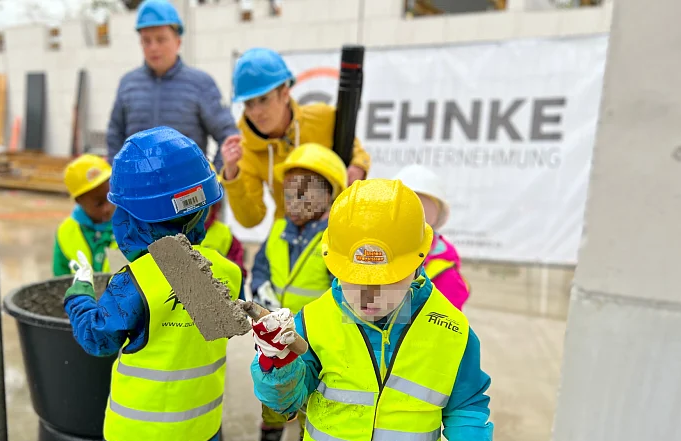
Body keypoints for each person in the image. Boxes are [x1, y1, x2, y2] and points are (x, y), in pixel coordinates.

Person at [249, 179, 494, 441]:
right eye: (355, 279)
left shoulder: (450, 332)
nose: (368, 295)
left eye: (385, 281)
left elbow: (467, 405)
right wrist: (277, 362)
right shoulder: (315, 321)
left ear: (418, 260)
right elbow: (286, 402)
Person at [64, 127, 243, 441]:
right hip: (198, 435)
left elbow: (97, 336)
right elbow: (194, 312)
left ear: (134, 217)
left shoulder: (137, 281)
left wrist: (78, 294)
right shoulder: (225, 273)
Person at [248, 143, 346, 441]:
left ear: (330, 197)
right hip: (274, 334)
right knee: (273, 390)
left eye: (305, 195)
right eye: (290, 195)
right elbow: (260, 267)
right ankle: (270, 437)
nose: (295, 202)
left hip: (313, 339)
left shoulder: (335, 239)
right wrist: (262, 292)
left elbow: (342, 290)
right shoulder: (277, 230)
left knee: (311, 398)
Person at [219, 47, 371, 228]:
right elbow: (251, 219)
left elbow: (356, 151)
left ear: (284, 93)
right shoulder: (245, 150)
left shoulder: (323, 118)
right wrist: (231, 174)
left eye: (263, 99)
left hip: (336, 226)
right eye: (249, 103)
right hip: (290, 239)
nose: (256, 112)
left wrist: (358, 167)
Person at [106, 0, 238, 169]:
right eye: (146, 40)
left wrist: (214, 178)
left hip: (188, 191)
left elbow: (228, 136)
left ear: (177, 41)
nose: (153, 47)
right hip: (140, 192)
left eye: (161, 39)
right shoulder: (128, 85)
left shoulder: (200, 84)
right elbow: (114, 137)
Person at [396, 165, 470, 310]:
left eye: (423, 205)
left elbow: (448, 320)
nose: (415, 213)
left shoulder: (445, 269)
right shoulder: (374, 248)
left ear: (438, 215)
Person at [53, 154, 116, 276]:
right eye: (99, 204)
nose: (107, 208)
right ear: (79, 201)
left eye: (110, 198)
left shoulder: (131, 226)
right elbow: (59, 282)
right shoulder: (65, 232)